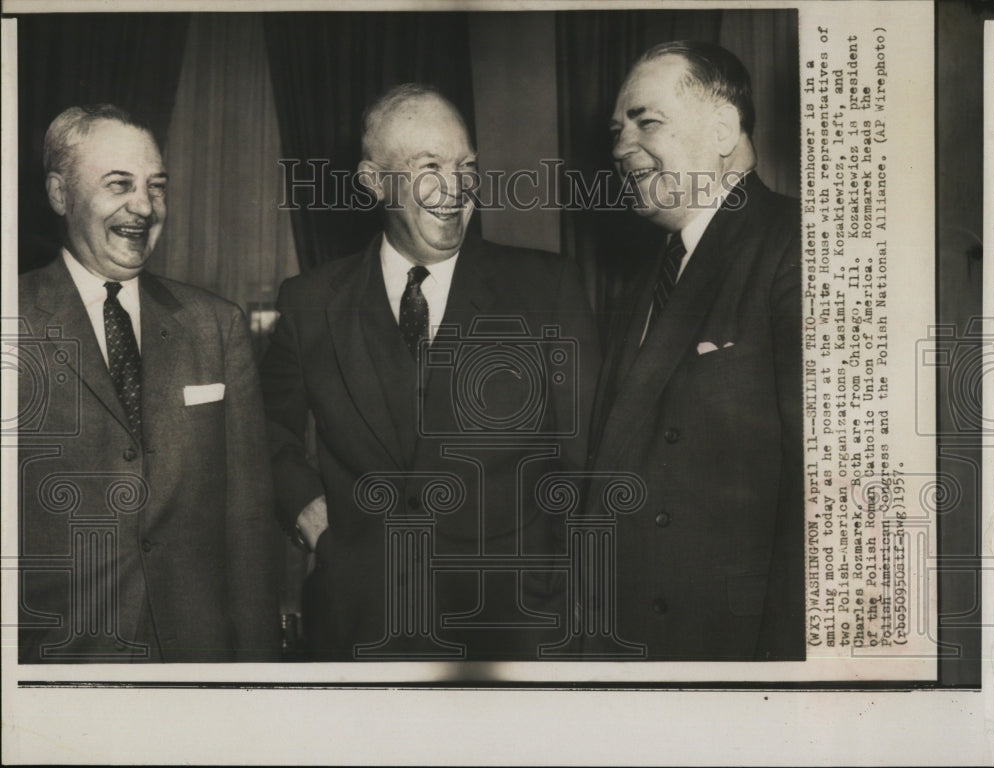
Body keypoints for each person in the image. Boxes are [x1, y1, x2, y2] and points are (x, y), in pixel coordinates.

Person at [260, 84, 598, 661]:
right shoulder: (309, 300)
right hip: (360, 621)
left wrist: (561, 587)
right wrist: (307, 514)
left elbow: (588, 459)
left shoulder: (548, 288)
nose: (456, 187)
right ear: (373, 180)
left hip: (516, 624)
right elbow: (264, 430)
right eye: (429, 166)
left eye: (466, 165)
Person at [17, 104, 281, 662]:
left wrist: (259, 679)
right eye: (120, 185)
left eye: (156, 187)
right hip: (59, 662)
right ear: (61, 195)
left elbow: (249, 524)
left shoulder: (216, 324)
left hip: (199, 662)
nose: (144, 206)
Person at [587, 41, 804, 660]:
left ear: (723, 129)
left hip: (733, 645)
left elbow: (824, 496)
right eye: (616, 130)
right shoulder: (645, 280)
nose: (620, 148)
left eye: (645, 121)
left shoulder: (797, 246)